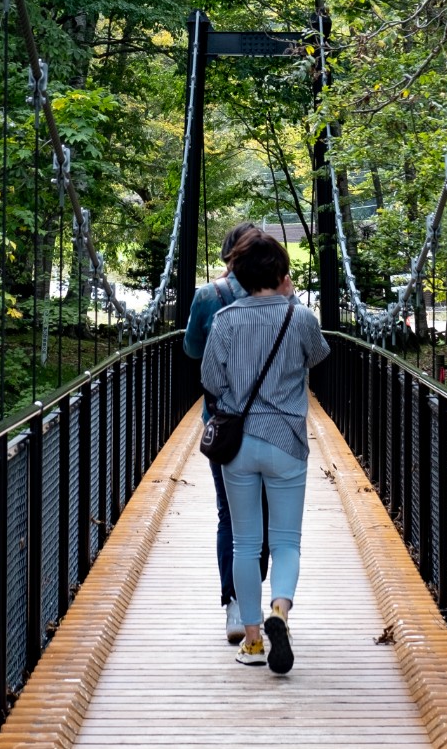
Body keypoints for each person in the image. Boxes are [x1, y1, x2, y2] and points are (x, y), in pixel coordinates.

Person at [200, 229, 328, 674]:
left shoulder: (226, 320)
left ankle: (252, 641)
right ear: (281, 272)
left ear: (237, 273)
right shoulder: (301, 317)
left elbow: (212, 382)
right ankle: (280, 612)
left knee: (245, 542)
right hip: (287, 440)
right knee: (286, 541)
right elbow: (317, 357)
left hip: (239, 446)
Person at [182, 222, 268, 643]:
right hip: (275, 424)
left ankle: (236, 604)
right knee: (267, 515)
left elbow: (192, 351)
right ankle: (259, 598)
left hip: (223, 423)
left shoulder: (207, 297)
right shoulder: (276, 296)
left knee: (229, 513)